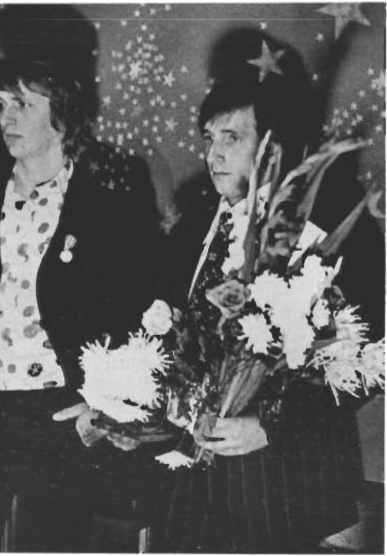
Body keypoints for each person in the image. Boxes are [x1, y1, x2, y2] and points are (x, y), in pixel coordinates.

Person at [151, 77, 369, 553]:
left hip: (283, 483)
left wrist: (271, 427)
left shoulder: (324, 227)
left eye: (231, 138)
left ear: (273, 148)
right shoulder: (193, 224)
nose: (212, 154)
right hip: (193, 483)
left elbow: (367, 360)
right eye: (208, 138)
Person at [0, 56, 161, 552]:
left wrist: (102, 401)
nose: (6, 117)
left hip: (57, 406)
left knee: (50, 540)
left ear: (61, 112)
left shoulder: (108, 192)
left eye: (23, 104)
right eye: (3, 104)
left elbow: (134, 305)